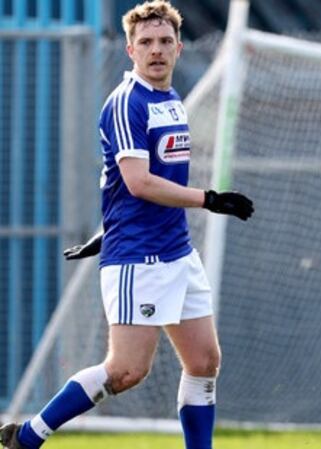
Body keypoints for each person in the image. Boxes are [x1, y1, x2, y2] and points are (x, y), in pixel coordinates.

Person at [0, 2, 254, 448]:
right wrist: (209, 199)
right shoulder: (127, 102)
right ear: (130, 50)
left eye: (164, 41)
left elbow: (128, 186)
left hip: (176, 251)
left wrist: (107, 228)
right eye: (146, 42)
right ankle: (29, 436)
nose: (156, 50)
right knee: (126, 371)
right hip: (140, 258)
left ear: (178, 48)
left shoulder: (170, 101)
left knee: (204, 361)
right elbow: (138, 183)